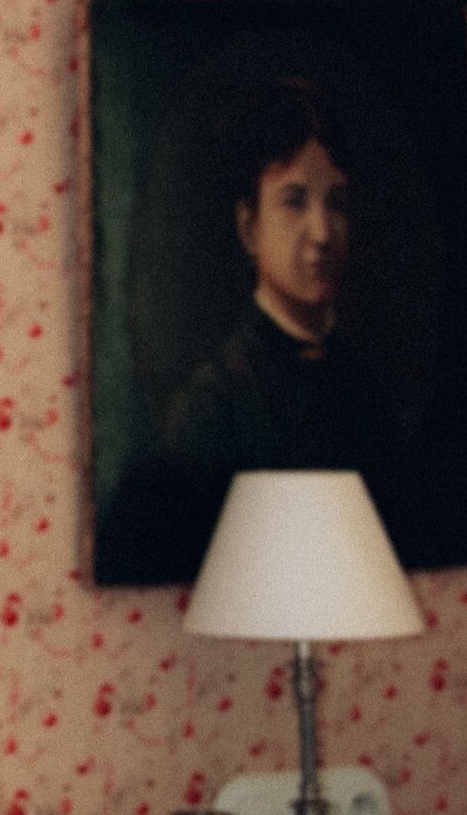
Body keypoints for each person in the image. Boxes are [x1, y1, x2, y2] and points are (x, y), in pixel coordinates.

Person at [160, 78, 401, 518]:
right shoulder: (213, 408)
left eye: (336, 203)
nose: (322, 234)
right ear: (249, 228)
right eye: (294, 202)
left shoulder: (370, 397)